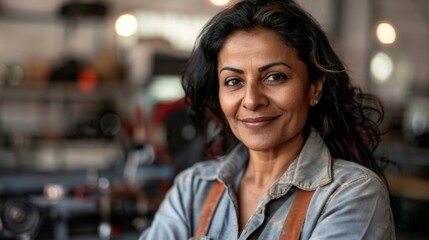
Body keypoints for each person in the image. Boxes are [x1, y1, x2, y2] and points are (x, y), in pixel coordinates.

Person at [140, 0, 396, 239]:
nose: (251, 100)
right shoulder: (192, 189)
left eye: (274, 77)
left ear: (314, 88)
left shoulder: (352, 194)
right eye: (233, 81)